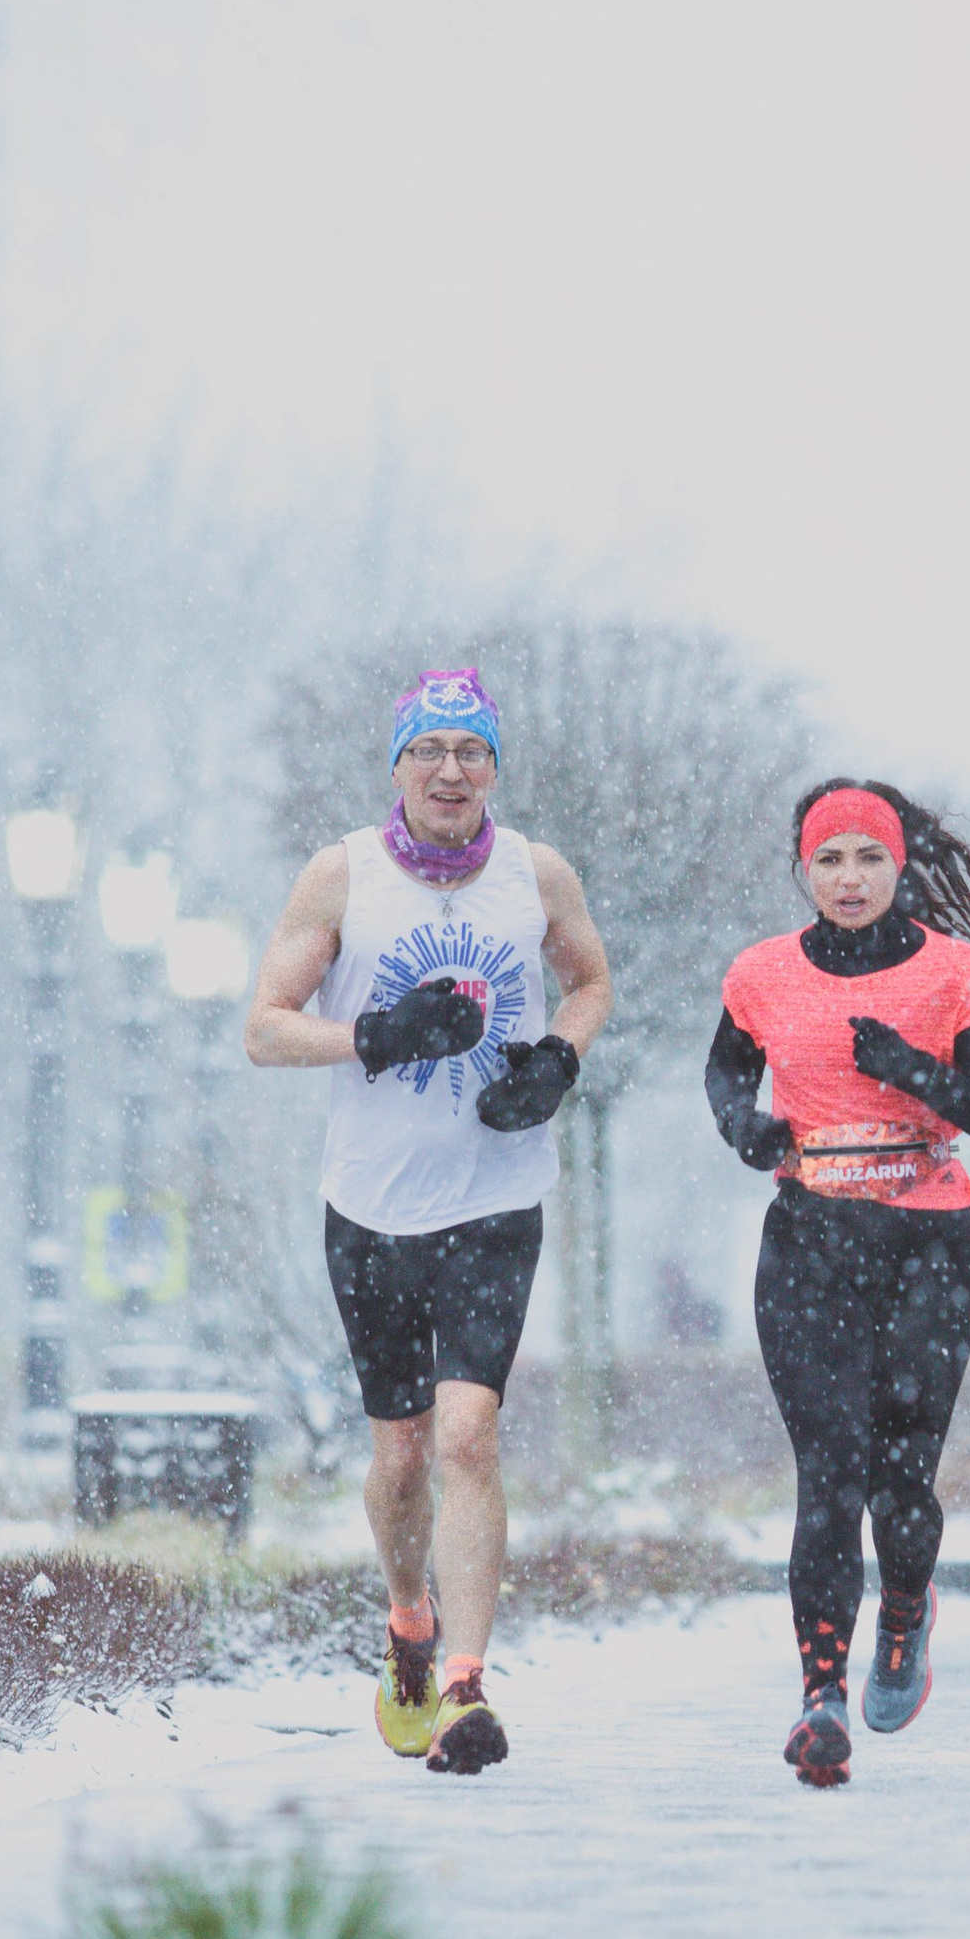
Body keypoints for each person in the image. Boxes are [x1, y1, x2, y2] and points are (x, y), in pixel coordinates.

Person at [246, 667, 611, 1773]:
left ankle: (464, 1685)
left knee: (468, 1436)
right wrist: (376, 1035)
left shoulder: (535, 873)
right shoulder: (341, 875)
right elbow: (265, 1028)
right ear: (399, 764)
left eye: (471, 751)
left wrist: (556, 1063)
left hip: (496, 1197)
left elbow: (591, 983)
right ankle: (409, 1617)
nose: (451, 771)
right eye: (430, 751)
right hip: (372, 1207)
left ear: (494, 767)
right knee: (401, 1456)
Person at [706, 779, 970, 1787]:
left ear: (899, 866)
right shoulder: (761, 974)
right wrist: (743, 1125)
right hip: (809, 1241)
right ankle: (820, 1699)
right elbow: (725, 1073)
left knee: (900, 1482)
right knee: (829, 1477)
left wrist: (910, 1070)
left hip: (927, 1244)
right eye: (830, 859)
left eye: (869, 858)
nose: (849, 878)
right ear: (804, 870)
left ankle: (904, 1613)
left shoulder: (954, 974)